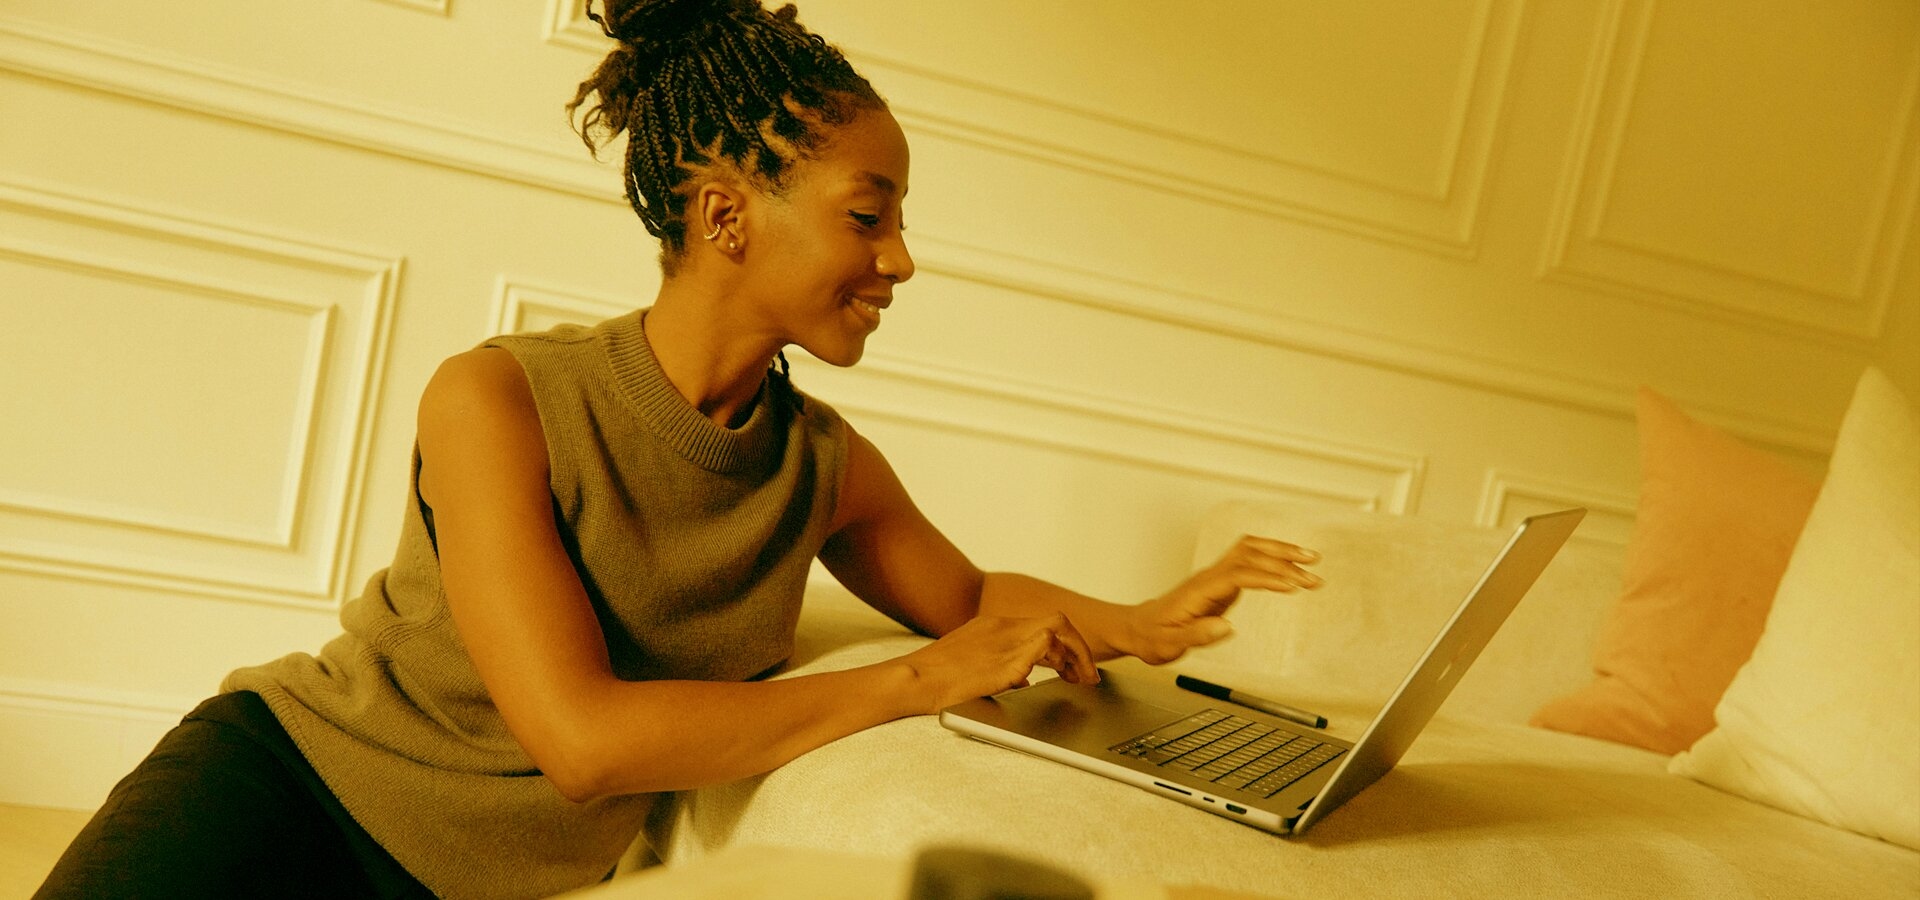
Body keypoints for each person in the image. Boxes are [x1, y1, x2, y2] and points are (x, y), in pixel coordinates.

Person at [35, 1, 1322, 897]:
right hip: (290, 800)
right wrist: (919, 680)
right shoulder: (495, 400)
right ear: (724, 217)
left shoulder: (824, 466)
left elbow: (974, 602)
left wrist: (1141, 619)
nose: (902, 259)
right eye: (868, 216)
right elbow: (583, 742)